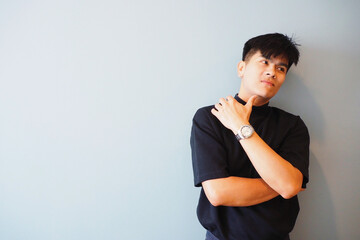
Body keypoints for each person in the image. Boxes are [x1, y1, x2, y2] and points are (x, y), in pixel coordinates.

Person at [190, 33, 310, 240]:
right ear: (241, 68)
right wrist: (279, 183)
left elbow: (290, 187)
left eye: (281, 68)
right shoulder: (210, 118)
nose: (272, 72)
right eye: (265, 62)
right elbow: (219, 193)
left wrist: (241, 126)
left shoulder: (292, 125)